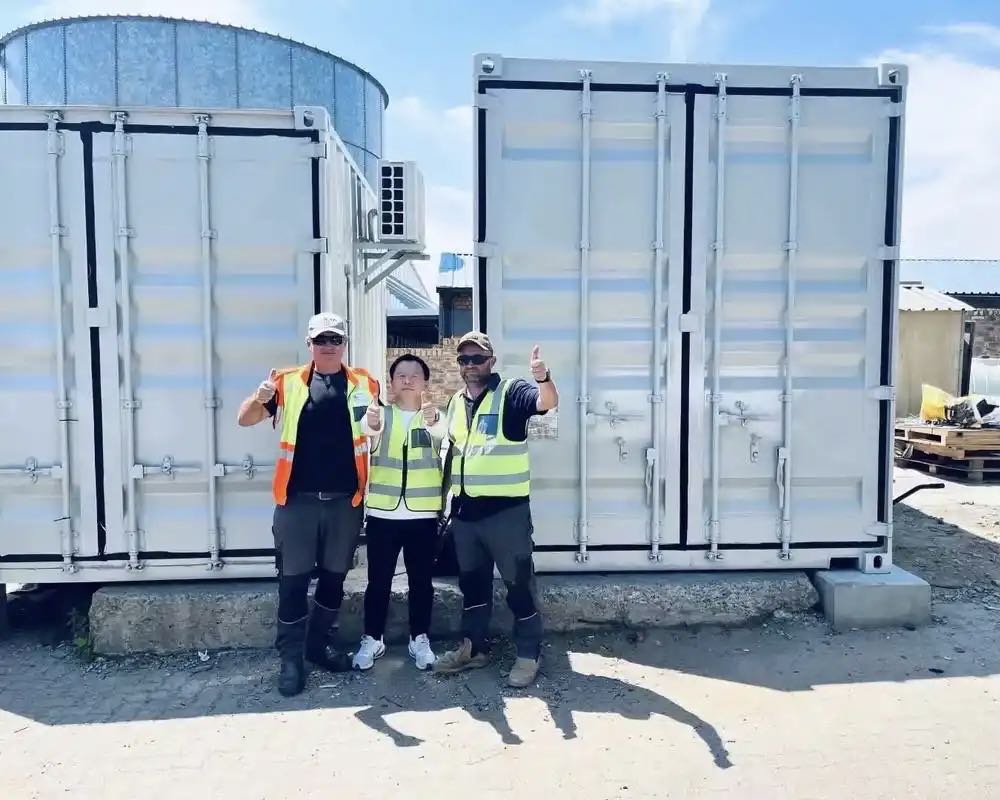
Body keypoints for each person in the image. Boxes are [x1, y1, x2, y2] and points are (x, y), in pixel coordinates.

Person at [236, 312, 379, 697]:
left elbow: (374, 431)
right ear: (309, 344)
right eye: (321, 340)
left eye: (335, 339)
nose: (328, 346)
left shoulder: (365, 383)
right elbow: (245, 419)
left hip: (345, 502)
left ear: (344, 344)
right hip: (297, 501)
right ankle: (291, 659)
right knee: (293, 581)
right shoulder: (286, 382)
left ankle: (317, 646)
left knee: (334, 578)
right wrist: (258, 398)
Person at [433, 332, 558, 688]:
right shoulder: (455, 402)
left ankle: (529, 654)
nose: (471, 365)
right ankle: (473, 649)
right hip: (466, 515)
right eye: (464, 359)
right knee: (472, 586)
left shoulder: (511, 393)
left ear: (491, 361)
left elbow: (546, 402)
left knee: (519, 586)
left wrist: (543, 378)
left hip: (506, 515)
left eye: (478, 358)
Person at [353, 353, 447, 672]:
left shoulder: (435, 417)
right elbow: (368, 428)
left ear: (425, 382)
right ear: (391, 382)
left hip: (422, 516)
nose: (407, 381)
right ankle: (372, 638)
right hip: (384, 516)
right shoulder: (381, 415)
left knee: (422, 583)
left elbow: (442, 432)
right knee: (378, 582)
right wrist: (371, 422)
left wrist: (434, 420)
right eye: (401, 376)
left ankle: (419, 638)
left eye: (414, 375)